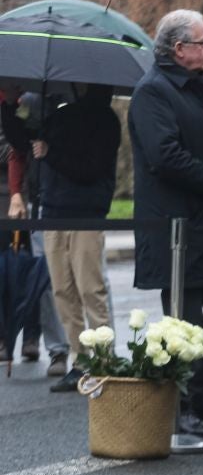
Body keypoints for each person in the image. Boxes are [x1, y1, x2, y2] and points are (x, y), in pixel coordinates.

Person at [128, 10, 203, 436]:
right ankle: (180, 408)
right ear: (179, 49)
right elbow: (166, 158)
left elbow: (198, 143)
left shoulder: (200, 84)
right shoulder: (152, 93)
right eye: (202, 42)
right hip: (176, 230)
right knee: (183, 323)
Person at [7, 86, 120, 391]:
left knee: (90, 290)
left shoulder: (106, 121)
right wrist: (7, 107)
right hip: (54, 211)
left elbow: (90, 169)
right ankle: (80, 361)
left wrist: (51, 153)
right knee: (62, 291)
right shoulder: (63, 116)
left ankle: (103, 361)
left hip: (85, 214)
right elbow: (27, 145)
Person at [3, 91, 75, 378]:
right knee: (46, 280)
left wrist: (51, 150)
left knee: (87, 284)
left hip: (73, 200)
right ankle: (57, 348)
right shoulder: (29, 101)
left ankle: (88, 350)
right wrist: (17, 192)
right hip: (41, 199)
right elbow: (17, 148)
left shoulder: (73, 104)